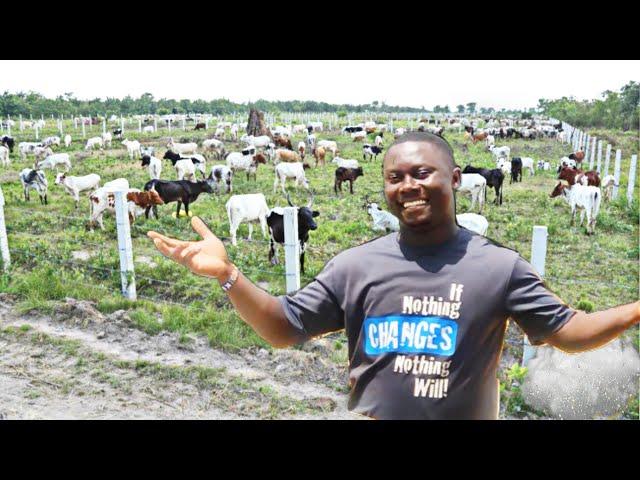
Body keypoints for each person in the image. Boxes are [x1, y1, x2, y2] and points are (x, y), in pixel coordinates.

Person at [147, 132, 639, 420]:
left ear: (455, 180)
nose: (408, 187)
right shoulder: (356, 265)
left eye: (422, 174)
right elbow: (282, 326)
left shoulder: (498, 266)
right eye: (395, 177)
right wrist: (229, 275)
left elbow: (568, 333)